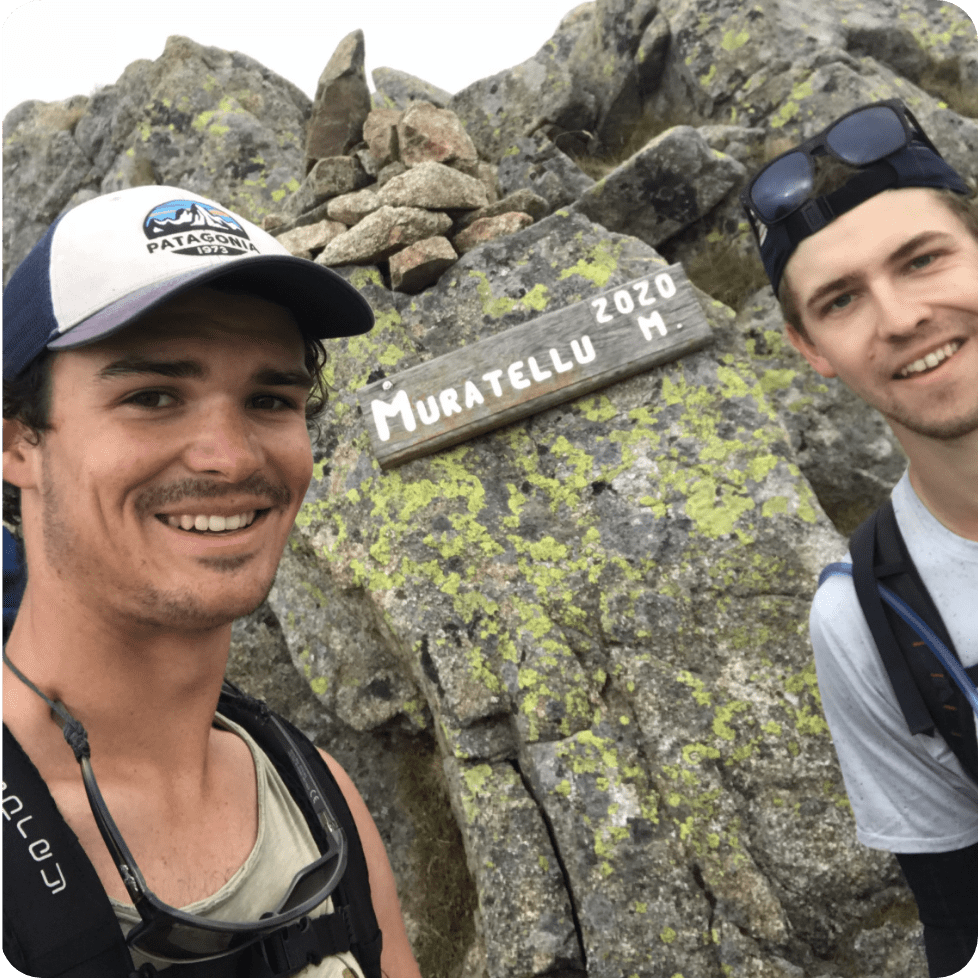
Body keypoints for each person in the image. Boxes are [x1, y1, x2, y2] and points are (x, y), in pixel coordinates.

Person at [2, 184, 422, 978]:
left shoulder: (317, 798)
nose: (230, 458)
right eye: (153, 396)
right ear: (19, 442)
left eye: (270, 398)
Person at [741, 100, 978, 977]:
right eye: (842, 300)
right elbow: (961, 926)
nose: (900, 318)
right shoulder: (870, 620)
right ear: (810, 348)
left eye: (923, 260)